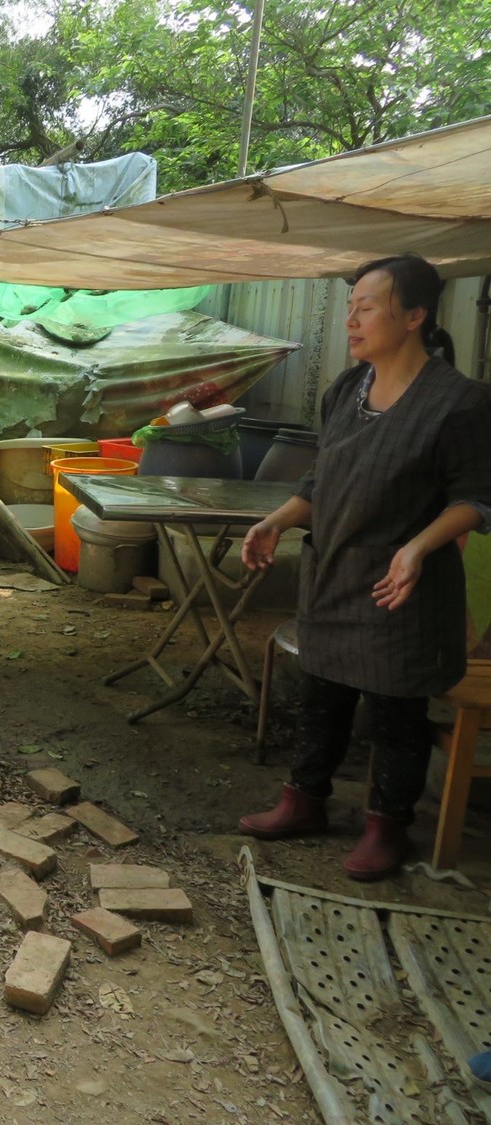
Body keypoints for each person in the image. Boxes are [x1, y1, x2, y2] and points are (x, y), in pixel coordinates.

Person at [238, 254, 491, 880]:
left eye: (367, 307)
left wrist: (417, 547)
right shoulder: (345, 390)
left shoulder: (459, 403)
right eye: (349, 307)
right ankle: (305, 801)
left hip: (399, 587)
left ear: (414, 316)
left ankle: (388, 825)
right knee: (320, 693)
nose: (350, 319)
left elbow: (476, 498)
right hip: (333, 572)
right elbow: (323, 481)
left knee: (394, 710)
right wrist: (277, 519)